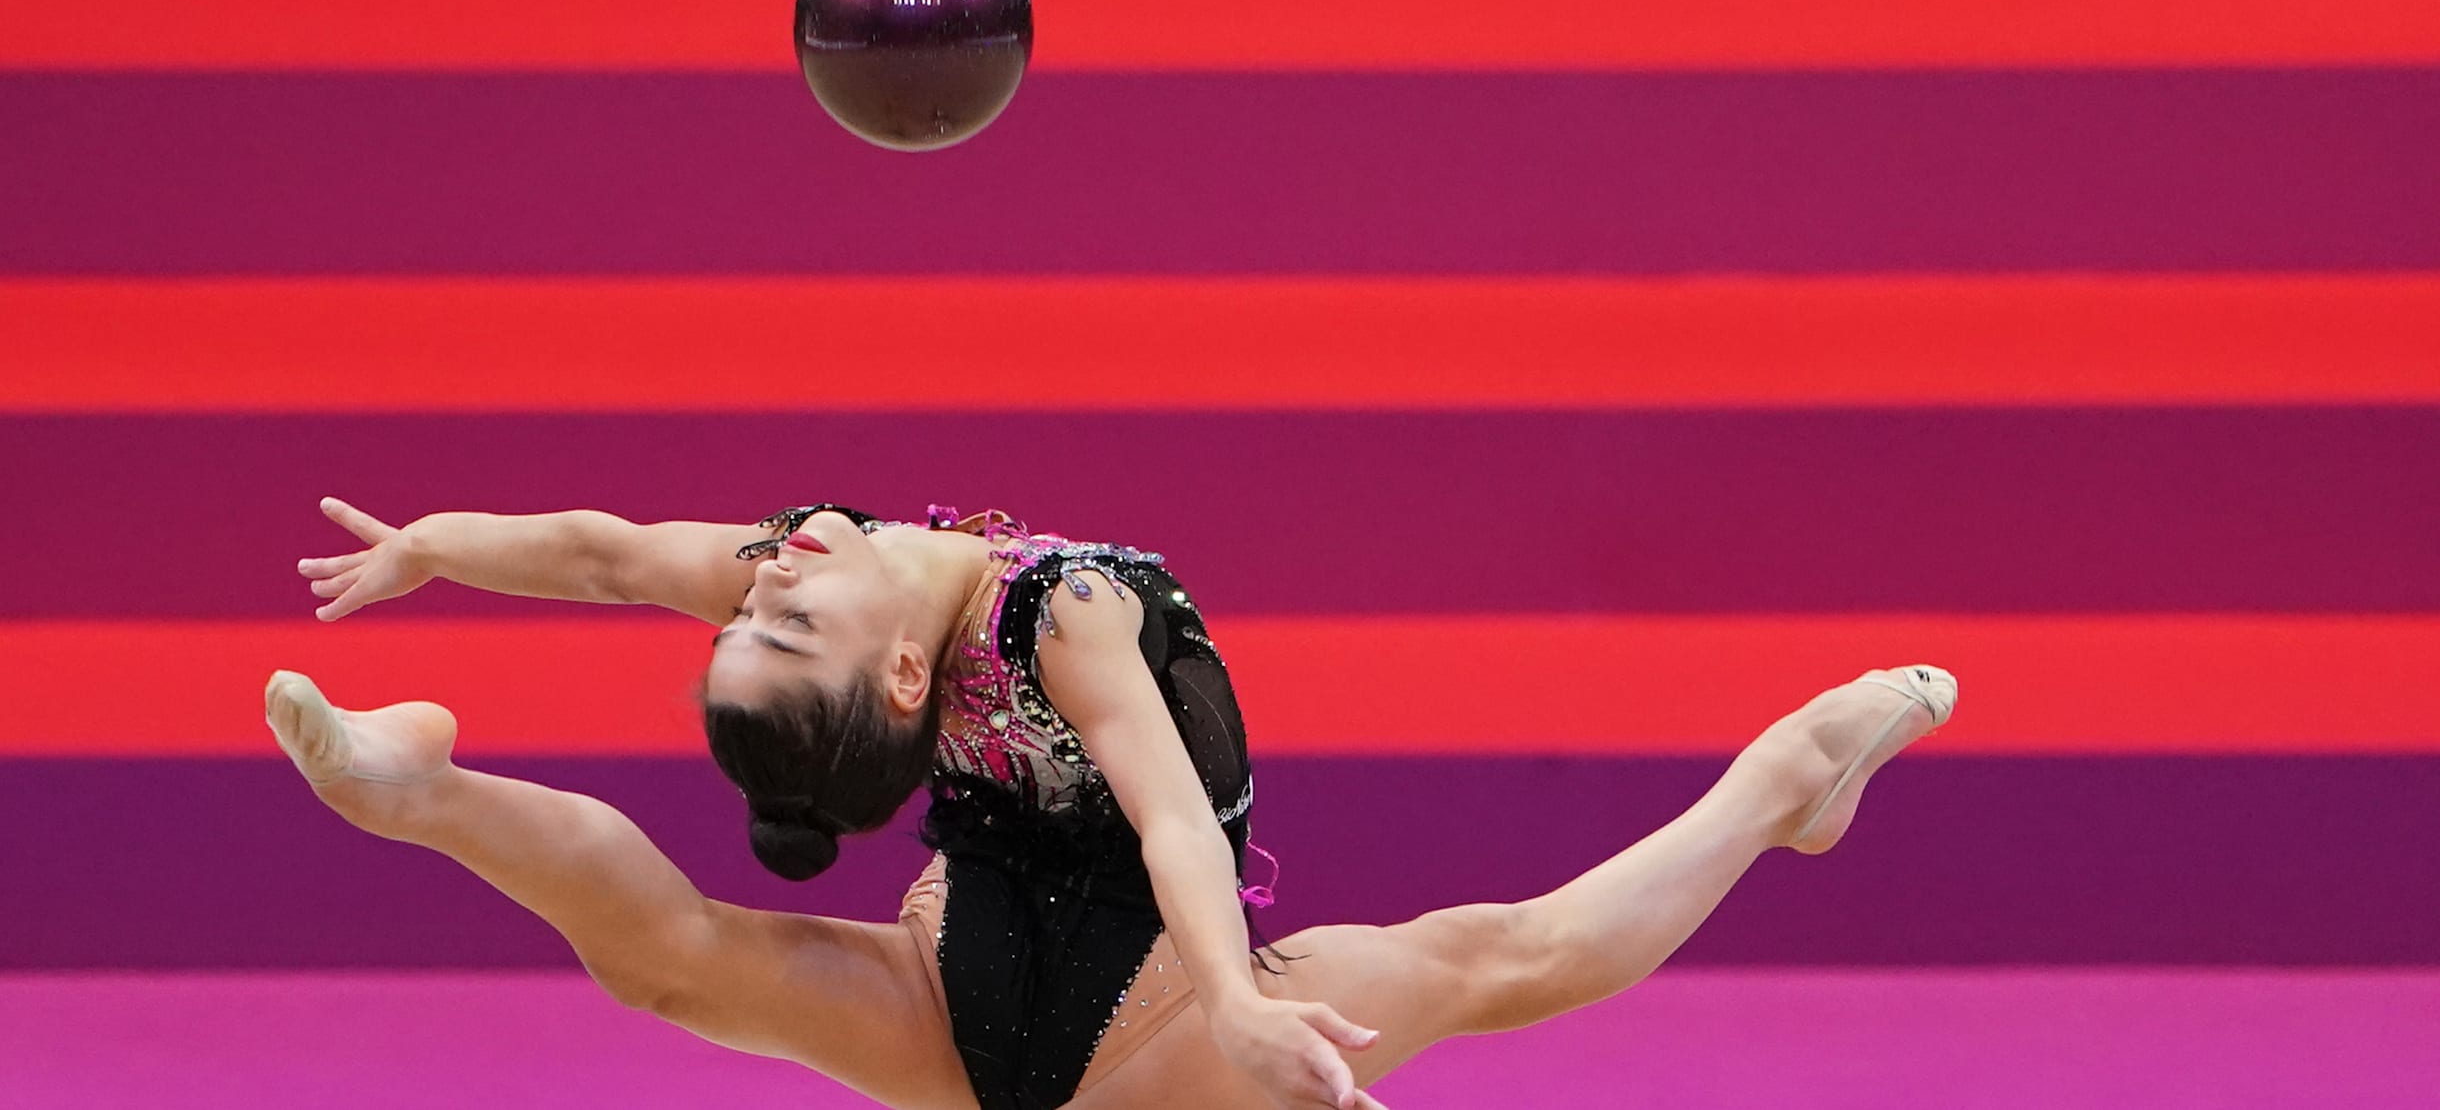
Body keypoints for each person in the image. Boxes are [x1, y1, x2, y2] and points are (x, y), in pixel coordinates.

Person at [272, 495, 1956, 1110]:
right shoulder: (844, 592)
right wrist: (434, 553)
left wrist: (1233, 1001)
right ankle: (421, 787)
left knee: (1495, 959)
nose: (760, 583)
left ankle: (1782, 785)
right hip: (955, 994)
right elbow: (596, 556)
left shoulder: (1059, 611)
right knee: (672, 958)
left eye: (760, 612)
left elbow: (1164, 815)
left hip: (1157, 1017)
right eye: (764, 621)